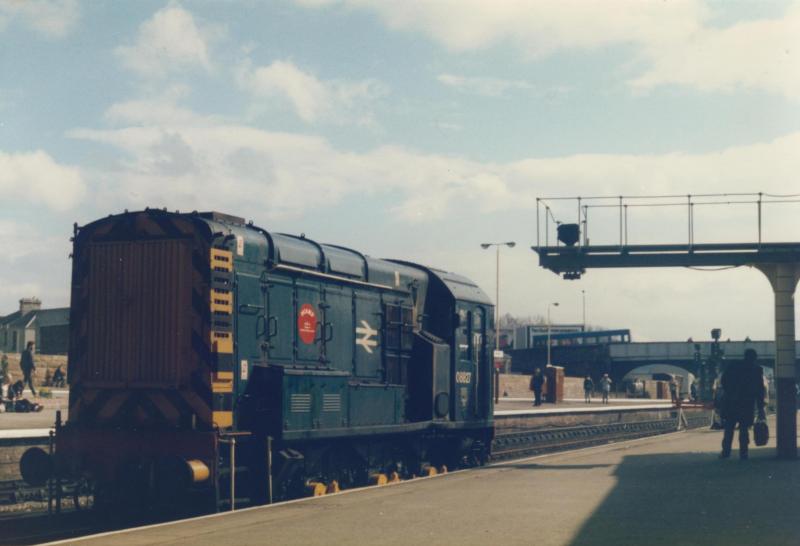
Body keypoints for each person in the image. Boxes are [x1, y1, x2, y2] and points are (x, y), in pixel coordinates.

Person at [719, 348, 766, 460]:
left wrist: (729, 392)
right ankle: (743, 453)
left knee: (729, 428)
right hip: (747, 404)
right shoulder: (757, 370)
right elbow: (760, 390)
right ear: (755, 358)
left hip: (732, 402)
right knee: (744, 429)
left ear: (744, 356)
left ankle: (726, 452)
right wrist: (760, 408)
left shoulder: (734, 365)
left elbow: (724, 380)